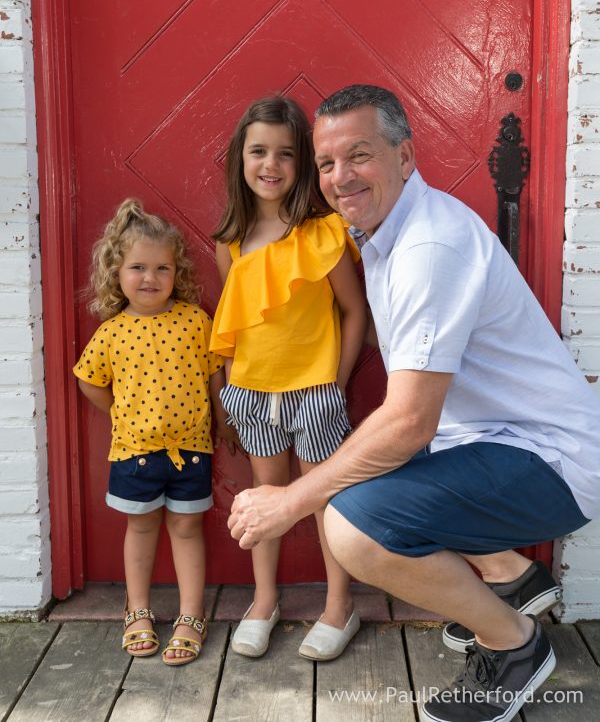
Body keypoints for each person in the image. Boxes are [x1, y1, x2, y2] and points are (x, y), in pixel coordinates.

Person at [228, 84, 600, 722]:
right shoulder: (385, 233)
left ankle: (513, 645)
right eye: (326, 163)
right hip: (487, 442)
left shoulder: (429, 247)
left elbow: (407, 422)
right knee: (367, 468)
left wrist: (290, 501)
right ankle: (510, 575)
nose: (341, 177)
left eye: (360, 156)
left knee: (351, 524)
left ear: (406, 156)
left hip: (551, 462)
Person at [210, 95, 366, 660]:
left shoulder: (322, 235)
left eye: (284, 153)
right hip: (251, 396)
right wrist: (229, 391)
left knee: (326, 500)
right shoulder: (231, 243)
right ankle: (264, 599)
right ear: (240, 158)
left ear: (302, 162)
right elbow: (234, 320)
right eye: (258, 151)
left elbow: (354, 311)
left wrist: (337, 380)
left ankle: (338, 604)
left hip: (316, 394)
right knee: (263, 499)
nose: (269, 165)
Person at [74, 198, 238, 666]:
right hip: (134, 452)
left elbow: (213, 376)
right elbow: (88, 381)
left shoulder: (193, 320)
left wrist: (223, 420)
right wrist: (121, 413)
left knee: (187, 528)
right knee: (141, 527)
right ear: (117, 272)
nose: (150, 278)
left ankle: (191, 614)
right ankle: (137, 609)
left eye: (161, 268)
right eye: (138, 267)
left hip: (190, 450)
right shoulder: (112, 332)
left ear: (177, 271)